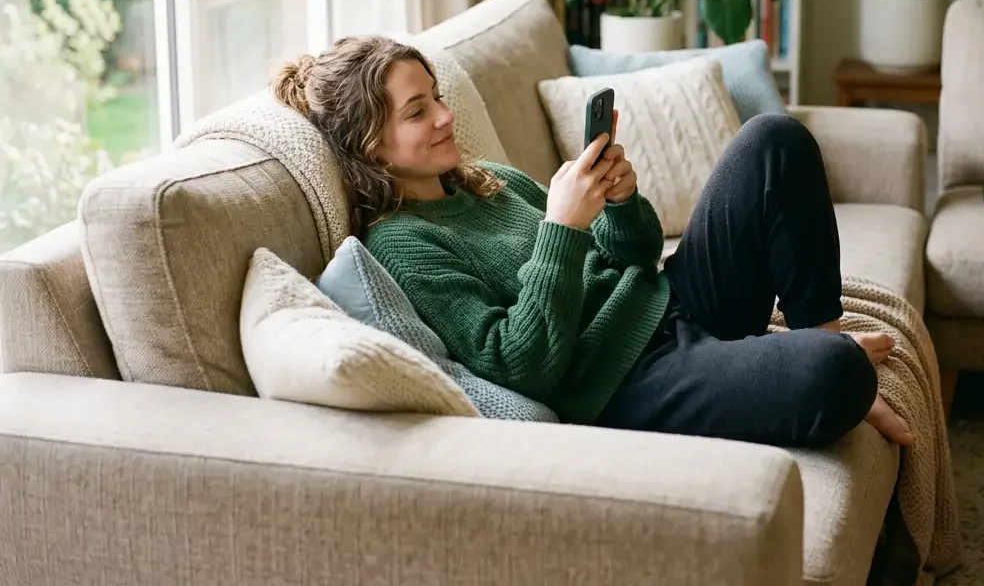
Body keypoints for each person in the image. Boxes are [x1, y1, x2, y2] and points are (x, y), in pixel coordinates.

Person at [273, 37, 914, 448]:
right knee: (836, 377)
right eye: (417, 112)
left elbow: (633, 257)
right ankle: (829, 360)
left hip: (671, 303)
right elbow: (521, 367)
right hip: (625, 384)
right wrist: (562, 230)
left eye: (437, 97)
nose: (445, 116)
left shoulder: (489, 181)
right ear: (368, 146)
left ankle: (821, 332)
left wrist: (619, 201)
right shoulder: (402, 245)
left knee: (774, 139)